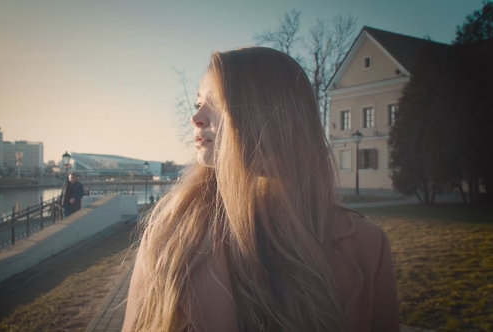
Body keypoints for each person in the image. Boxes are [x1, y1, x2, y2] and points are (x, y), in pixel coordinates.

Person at [123, 47, 400, 332]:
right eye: (198, 104)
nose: (196, 118)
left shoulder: (367, 244)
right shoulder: (171, 232)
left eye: (217, 103)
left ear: (271, 116)